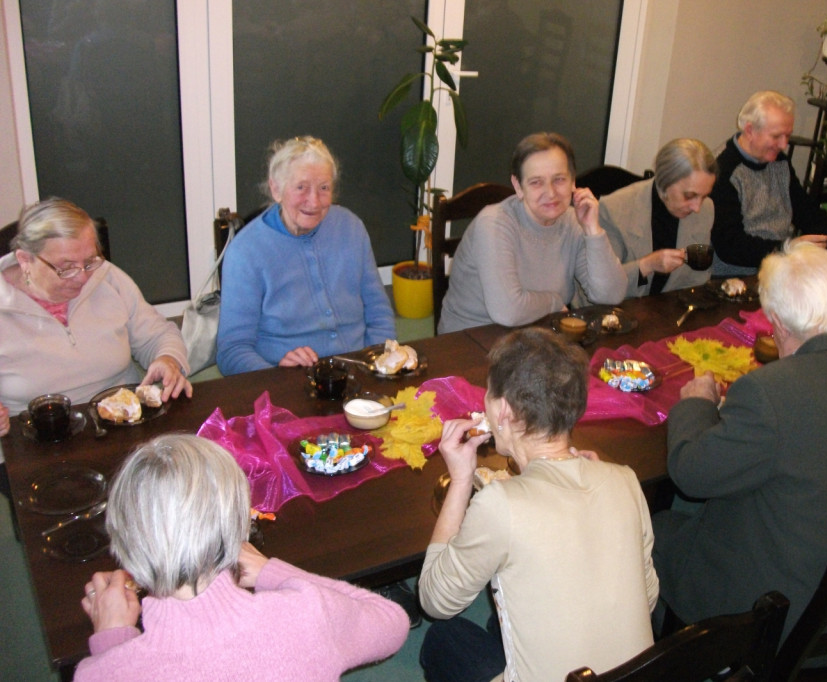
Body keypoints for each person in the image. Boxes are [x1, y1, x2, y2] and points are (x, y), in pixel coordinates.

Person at [653, 241, 827, 635]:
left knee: (657, 527)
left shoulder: (769, 392)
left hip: (782, 613)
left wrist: (697, 404)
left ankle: (674, 653)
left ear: (779, 324)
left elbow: (690, 475)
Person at [418, 328, 658, 681]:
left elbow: (434, 601)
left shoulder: (500, 505)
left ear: (503, 411)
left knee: (443, 637)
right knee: (502, 615)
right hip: (633, 675)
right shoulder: (624, 479)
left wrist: (461, 479)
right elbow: (647, 598)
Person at [73, 434, 409, 681]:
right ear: (239, 526)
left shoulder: (98, 675)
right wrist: (270, 572)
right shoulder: (304, 615)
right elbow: (391, 621)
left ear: (125, 544)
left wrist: (113, 641)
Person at [0, 198, 191, 496]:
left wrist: (167, 359)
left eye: (90, 261)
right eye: (65, 268)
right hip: (39, 443)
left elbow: (158, 333)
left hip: (124, 424)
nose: (83, 277)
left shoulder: (108, 278)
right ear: (25, 260)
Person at [217, 136, 395, 375]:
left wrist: (379, 362)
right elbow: (232, 350)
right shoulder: (246, 252)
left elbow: (378, 311)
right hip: (289, 379)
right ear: (276, 189)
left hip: (360, 369)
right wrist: (275, 374)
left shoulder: (351, 227)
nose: (314, 201)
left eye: (324, 188)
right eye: (301, 188)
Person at [438, 132, 627, 333]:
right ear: (518, 187)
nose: (551, 193)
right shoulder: (494, 224)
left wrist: (593, 230)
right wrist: (554, 301)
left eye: (559, 179)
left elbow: (610, 296)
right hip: (472, 339)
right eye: (536, 182)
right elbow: (508, 311)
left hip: (537, 334)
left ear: (573, 181)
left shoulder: (573, 222)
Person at [709, 90, 827, 276]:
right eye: (776, 136)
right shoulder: (723, 169)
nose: (784, 145)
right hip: (736, 275)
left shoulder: (779, 161)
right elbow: (730, 245)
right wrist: (788, 248)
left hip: (780, 266)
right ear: (750, 130)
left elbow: (806, 212)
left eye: (787, 136)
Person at [598, 138, 718, 297]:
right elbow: (602, 288)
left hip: (670, 310)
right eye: (690, 196)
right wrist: (646, 265)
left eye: (704, 196)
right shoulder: (615, 210)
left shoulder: (706, 209)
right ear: (664, 183)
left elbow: (698, 280)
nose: (697, 207)